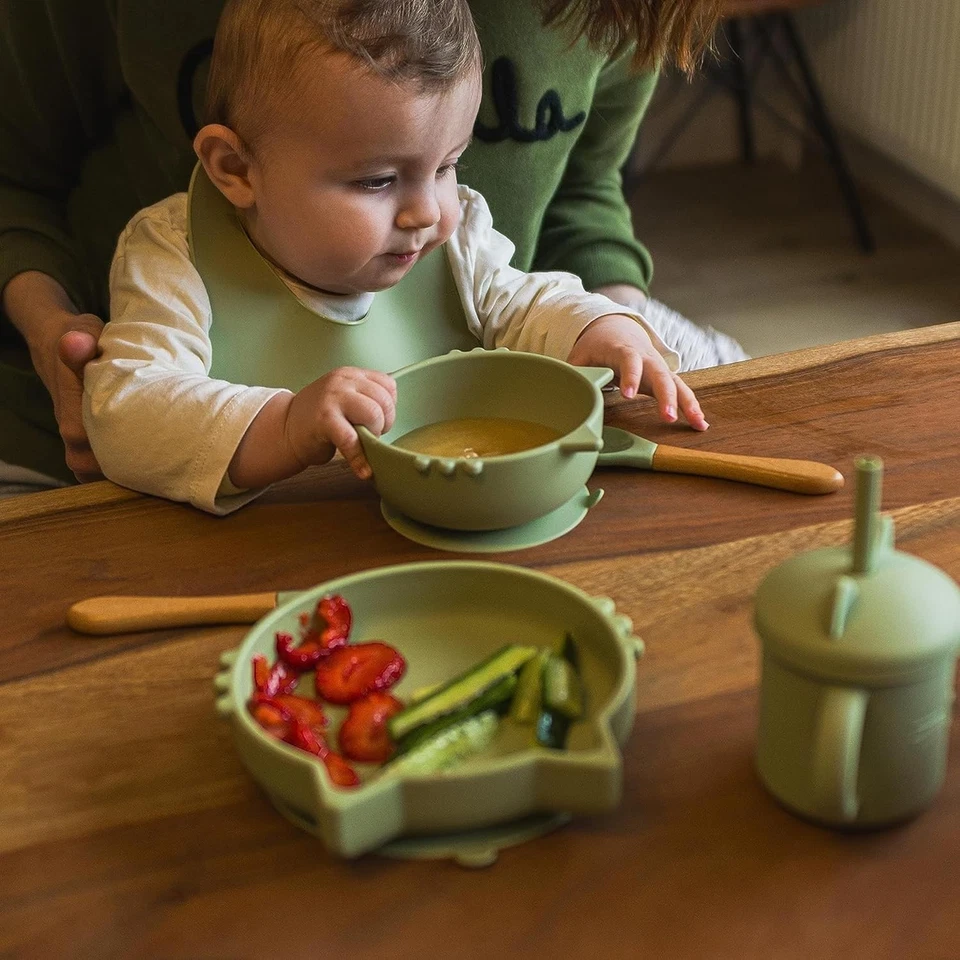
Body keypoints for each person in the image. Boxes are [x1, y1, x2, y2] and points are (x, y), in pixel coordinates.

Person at [0, 0, 741, 490]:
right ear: (234, 169)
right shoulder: (173, 255)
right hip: (258, 545)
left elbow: (527, 298)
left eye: (449, 165)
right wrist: (284, 427)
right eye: (378, 180)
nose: (430, 213)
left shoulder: (453, 228)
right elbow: (126, 413)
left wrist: (601, 326)